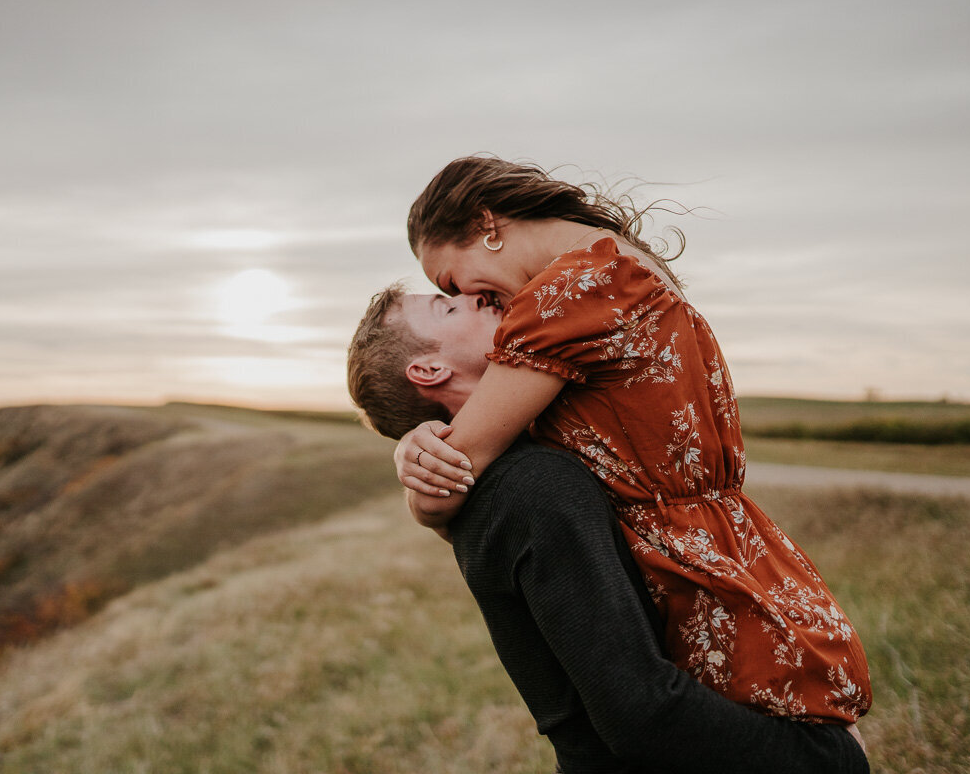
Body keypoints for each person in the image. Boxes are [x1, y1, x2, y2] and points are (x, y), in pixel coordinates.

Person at [384, 155, 872, 726]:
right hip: (731, 549)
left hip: (677, 573)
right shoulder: (623, 264)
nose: (473, 298)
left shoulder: (564, 297)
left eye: (449, 281)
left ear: (486, 225)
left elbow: (453, 477)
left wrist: (416, 478)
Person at [346, 285, 868, 771]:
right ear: (429, 370)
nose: (476, 296)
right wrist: (827, 759)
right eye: (448, 306)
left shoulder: (499, 482)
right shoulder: (532, 486)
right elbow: (641, 714)